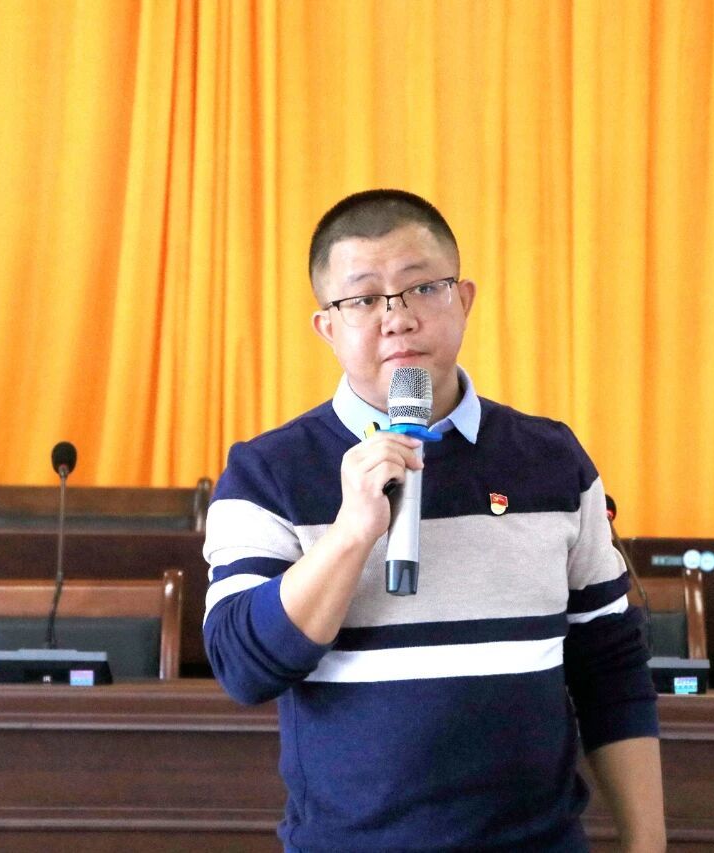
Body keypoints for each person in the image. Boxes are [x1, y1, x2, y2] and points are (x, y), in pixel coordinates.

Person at [203, 189, 665, 852]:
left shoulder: (552, 459)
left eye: (423, 287)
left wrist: (647, 845)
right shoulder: (268, 472)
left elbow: (612, 669)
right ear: (327, 327)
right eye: (364, 299)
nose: (397, 319)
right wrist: (352, 532)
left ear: (464, 299)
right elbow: (243, 667)